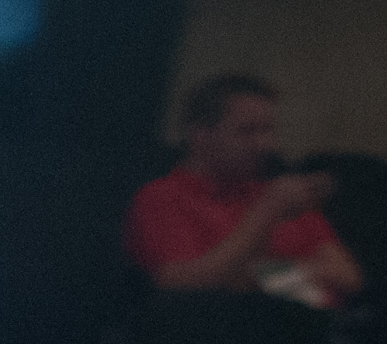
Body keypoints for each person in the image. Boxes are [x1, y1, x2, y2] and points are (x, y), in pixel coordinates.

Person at [125, 72, 362, 308]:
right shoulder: (162, 198)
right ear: (200, 136)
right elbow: (184, 287)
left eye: (268, 130)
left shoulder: (278, 194)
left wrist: (250, 276)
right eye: (247, 131)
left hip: (314, 324)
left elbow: (348, 277)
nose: (266, 145)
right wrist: (268, 212)